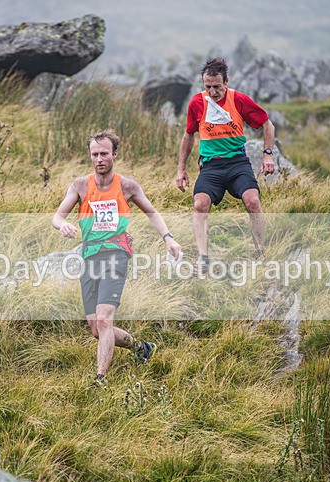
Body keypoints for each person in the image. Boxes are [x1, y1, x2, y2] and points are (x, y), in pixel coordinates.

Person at [52, 129, 181, 386]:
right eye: (94, 154)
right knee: (96, 329)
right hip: (89, 256)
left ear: (114, 155)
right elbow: (57, 216)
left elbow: (153, 213)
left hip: (116, 254)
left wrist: (168, 237)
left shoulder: (127, 186)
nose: (99, 158)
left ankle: (100, 379)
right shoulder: (80, 185)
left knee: (104, 319)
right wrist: (62, 225)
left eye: (104, 153)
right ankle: (142, 348)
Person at [176, 57, 275, 270]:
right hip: (211, 166)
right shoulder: (196, 103)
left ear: (226, 82)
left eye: (217, 87)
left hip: (238, 163)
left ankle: (260, 252)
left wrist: (267, 154)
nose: (212, 92)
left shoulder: (239, 100)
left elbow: (267, 124)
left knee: (253, 201)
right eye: (208, 87)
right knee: (199, 205)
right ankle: (204, 259)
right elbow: (188, 135)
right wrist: (181, 169)